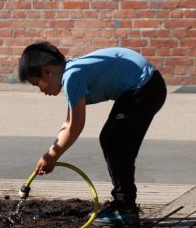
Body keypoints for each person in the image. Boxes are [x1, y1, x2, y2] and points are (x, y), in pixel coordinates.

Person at [18, 42, 167, 227]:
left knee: (115, 142)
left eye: (36, 84)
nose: (41, 90)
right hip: (145, 86)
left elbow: (76, 125)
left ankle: (126, 209)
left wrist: (52, 155)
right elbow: (69, 122)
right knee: (111, 140)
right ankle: (123, 204)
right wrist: (50, 153)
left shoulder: (72, 76)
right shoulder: (72, 71)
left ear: (46, 71)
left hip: (145, 88)